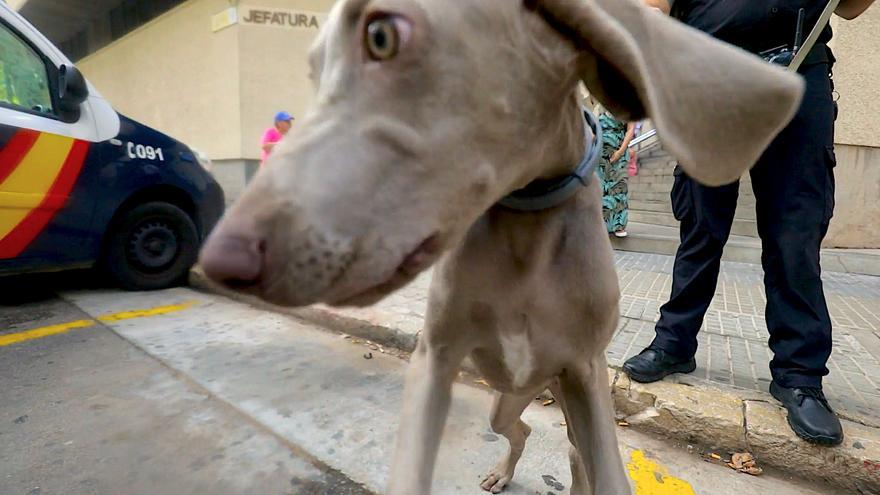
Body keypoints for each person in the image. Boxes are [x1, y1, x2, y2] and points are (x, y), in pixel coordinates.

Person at [624, 0, 876, 447]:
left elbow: (852, 9)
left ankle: (799, 376)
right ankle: (674, 344)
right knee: (700, 226)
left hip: (796, 69)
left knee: (794, 234)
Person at [598, 111, 636, 238]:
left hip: (618, 152)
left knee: (619, 189)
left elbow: (631, 130)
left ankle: (619, 226)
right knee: (602, 190)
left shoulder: (625, 105)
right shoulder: (600, 107)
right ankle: (603, 225)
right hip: (600, 157)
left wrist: (619, 152)